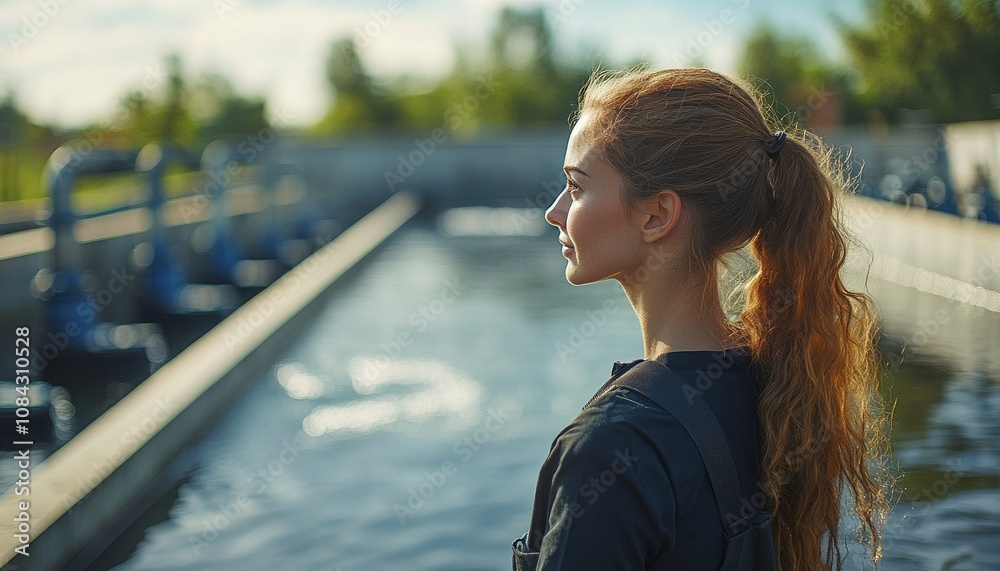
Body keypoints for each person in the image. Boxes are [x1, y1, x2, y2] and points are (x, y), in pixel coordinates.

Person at [511, 68, 890, 570]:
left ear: (657, 215)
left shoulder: (612, 450)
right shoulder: (777, 386)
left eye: (576, 187)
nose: (554, 212)